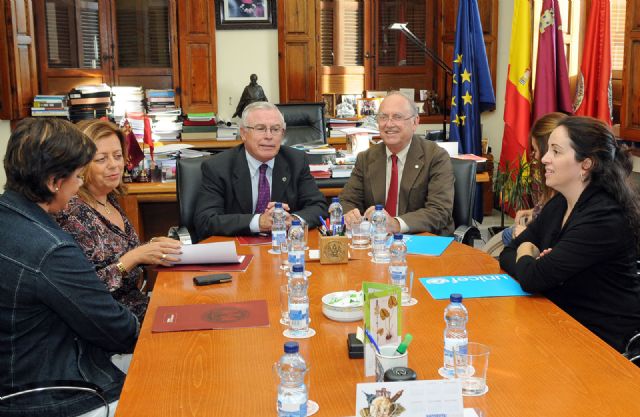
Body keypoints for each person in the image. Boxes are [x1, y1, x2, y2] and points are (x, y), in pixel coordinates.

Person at [0, 118, 139, 416]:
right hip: (52, 391)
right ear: (53, 183)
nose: (79, 188)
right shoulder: (51, 249)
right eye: (78, 177)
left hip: (18, 374)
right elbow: (119, 331)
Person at [499, 116, 640, 352]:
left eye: (555, 151)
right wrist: (530, 261)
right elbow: (507, 254)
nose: (544, 158)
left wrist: (526, 251)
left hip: (603, 341)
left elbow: (533, 278)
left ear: (586, 164)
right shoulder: (560, 204)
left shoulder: (604, 216)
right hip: (559, 320)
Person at [56, 120, 182, 322]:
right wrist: (135, 257)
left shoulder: (109, 198)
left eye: (117, 156)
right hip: (112, 322)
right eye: (101, 159)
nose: (114, 165)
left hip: (137, 306)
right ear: (80, 164)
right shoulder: (72, 212)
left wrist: (151, 249)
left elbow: (118, 252)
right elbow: (84, 292)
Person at [194, 101, 328, 239]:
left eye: (275, 129)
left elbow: (319, 207)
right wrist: (258, 222)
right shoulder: (218, 167)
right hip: (237, 248)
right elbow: (206, 221)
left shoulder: (296, 161)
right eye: (260, 128)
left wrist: (293, 220)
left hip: (282, 248)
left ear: (282, 134)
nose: (269, 136)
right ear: (243, 133)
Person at [340, 92, 455, 235]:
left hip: (423, 241)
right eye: (383, 117)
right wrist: (350, 214)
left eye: (397, 117)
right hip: (378, 244)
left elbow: (439, 211)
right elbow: (347, 200)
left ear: (415, 122)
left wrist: (396, 224)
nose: (389, 124)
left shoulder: (436, 157)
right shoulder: (366, 158)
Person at [501, 112, 568, 245]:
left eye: (536, 150)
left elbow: (553, 240)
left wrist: (528, 235)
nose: (537, 158)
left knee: (507, 235)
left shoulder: (564, 190)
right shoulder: (555, 184)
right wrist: (531, 211)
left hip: (541, 248)